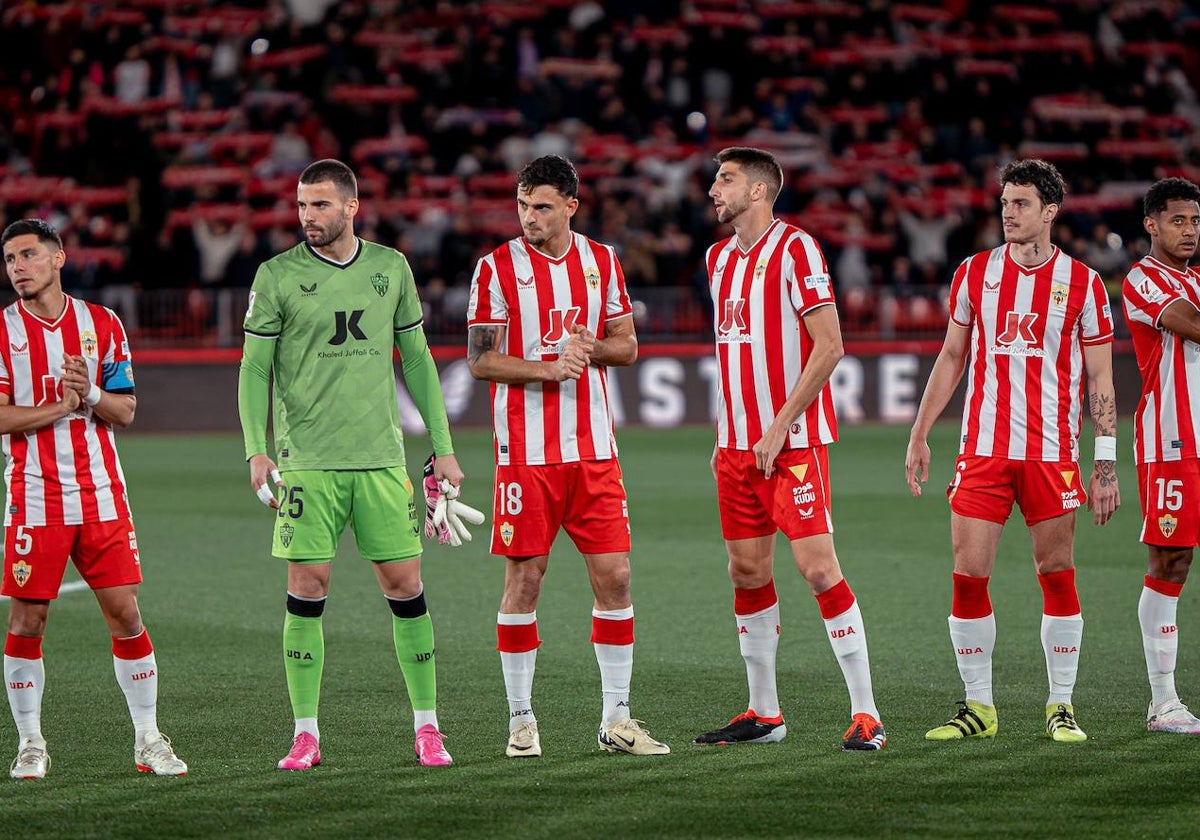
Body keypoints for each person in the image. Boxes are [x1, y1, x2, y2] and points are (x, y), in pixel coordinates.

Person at [238, 159, 470, 770]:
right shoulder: (276, 275)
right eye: (301, 205)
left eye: (319, 205)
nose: (307, 216)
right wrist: (256, 449)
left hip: (379, 462)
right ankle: (306, 733)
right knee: (306, 590)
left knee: (406, 588)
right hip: (307, 463)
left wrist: (442, 447)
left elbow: (417, 361)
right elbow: (254, 370)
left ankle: (428, 728)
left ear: (350, 206)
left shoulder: (389, 268)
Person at [905, 159, 1121, 743]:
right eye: (1004, 202)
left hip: (1051, 454)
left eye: (1021, 203)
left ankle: (1060, 705)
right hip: (983, 452)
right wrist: (920, 431)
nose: (1008, 212)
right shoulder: (975, 273)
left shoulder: (1084, 284)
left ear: (1049, 212)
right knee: (968, 575)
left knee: (1056, 572)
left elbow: (1101, 383)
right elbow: (952, 357)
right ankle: (979, 707)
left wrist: (1104, 464)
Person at [466, 154, 669, 758]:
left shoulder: (601, 260)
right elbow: (480, 360)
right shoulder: (496, 268)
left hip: (595, 452)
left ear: (571, 207)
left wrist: (591, 348)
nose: (530, 217)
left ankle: (617, 718)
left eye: (543, 207)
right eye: (524, 206)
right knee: (524, 580)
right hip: (524, 454)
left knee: (617, 577)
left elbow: (628, 346)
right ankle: (521, 719)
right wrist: (548, 368)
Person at [693, 146, 887, 751]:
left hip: (793, 442)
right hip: (737, 448)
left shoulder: (796, 248)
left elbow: (829, 345)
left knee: (818, 568)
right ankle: (765, 712)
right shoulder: (718, 258)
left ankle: (867, 713)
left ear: (757, 191)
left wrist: (780, 423)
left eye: (724, 180)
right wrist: (730, 435)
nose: (712, 190)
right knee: (746, 570)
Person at [0, 218, 186, 779]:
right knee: (28, 619)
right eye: (10, 260)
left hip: (102, 494)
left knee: (125, 614)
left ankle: (148, 738)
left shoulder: (101, 324)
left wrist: (92, 394)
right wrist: (60, 407)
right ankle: (31, 743)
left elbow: (125, 411)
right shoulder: (3, 331)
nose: (17, 269)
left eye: (28, 255)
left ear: (59, 258)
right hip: (34, 497)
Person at [1121, 176, 1200, 733]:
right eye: (1178, 220)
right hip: (1172, 441)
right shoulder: (1144, 280)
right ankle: (1163, 701)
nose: (1189, 230)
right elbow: (1189, 325)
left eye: (1195, 221)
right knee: (1170, 562)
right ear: (1152, 224)